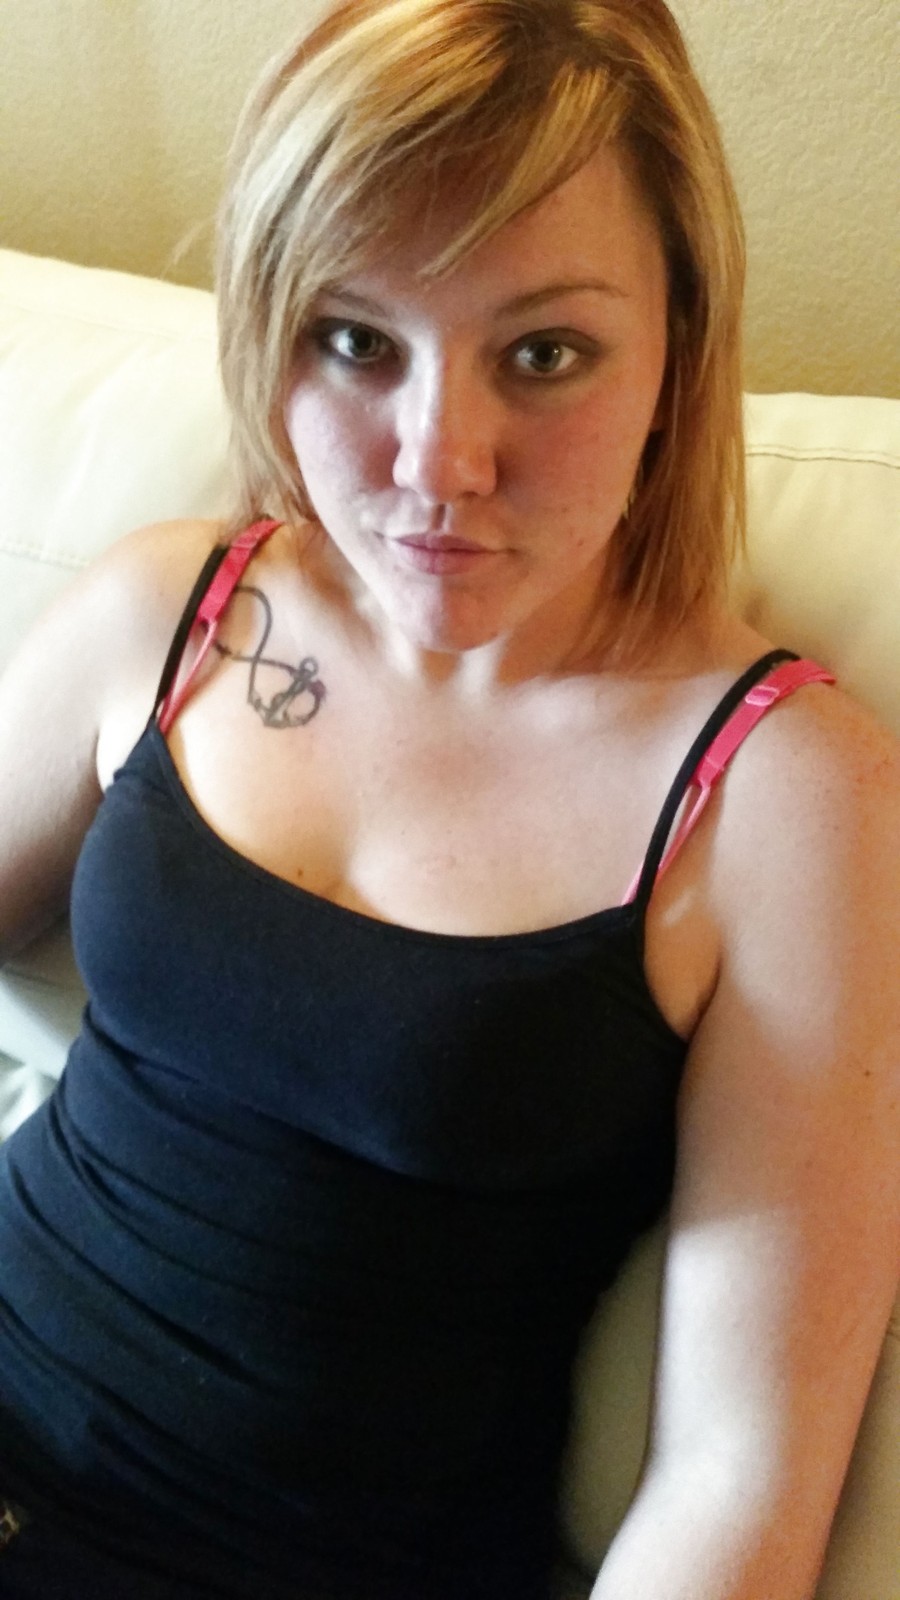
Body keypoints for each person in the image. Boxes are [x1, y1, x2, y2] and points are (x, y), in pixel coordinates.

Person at [0, 0, 897, 1595]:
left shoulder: (784, 793)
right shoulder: (177, 609)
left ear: (679, 349)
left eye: (543, 354)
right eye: (357, 340)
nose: (439, 463)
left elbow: (740, 1479)